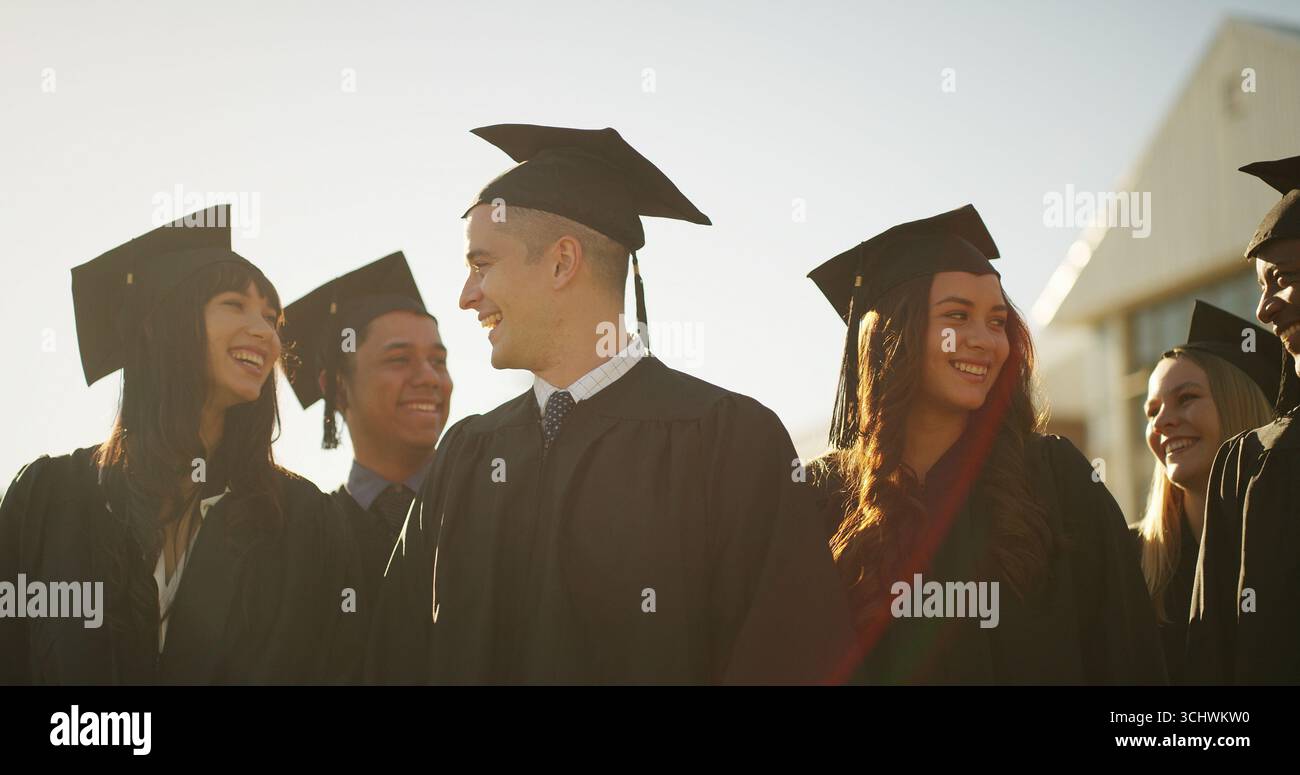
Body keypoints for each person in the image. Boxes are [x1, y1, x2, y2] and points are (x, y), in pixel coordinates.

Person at [368, 124, 852, 684]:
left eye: (482, 265)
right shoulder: (467, 455)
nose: (465, 295)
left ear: (561, 263)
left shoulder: (729, 441)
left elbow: (789, 660)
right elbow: (396, 656)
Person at [0, 206, 361, 684]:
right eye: (234, 304)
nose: (266, 333)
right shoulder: (51, 500)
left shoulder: (301, 522)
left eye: (271, 317)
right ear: (157, 325)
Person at [806, 204, 1165, 684]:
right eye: (958, 316)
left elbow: (1126, 656)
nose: (986, 341)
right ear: (894, 333)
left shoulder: (1055, 479)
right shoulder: (823, 497)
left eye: (998, 322)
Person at [1187, 155, 1300, 684]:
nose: (1264, 310)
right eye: (1259, 287)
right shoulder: (1248, 461)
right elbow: (1212, 657)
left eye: (1278, 280)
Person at [282, 252, 450, 584]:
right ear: (337, 387)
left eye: (438, 361)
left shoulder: (492, 510)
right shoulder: (301, 539)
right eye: (400, 359)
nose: (430, 378)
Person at [1135, 301, 1277, 683]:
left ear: (1237, 406)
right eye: (1152, 411)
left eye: (1186, 398)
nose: (1162, 422)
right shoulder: (1127, 559)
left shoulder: (1286, 544)